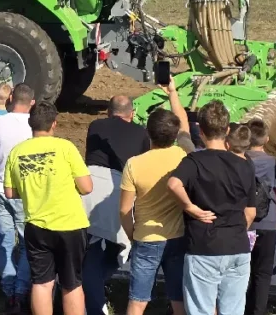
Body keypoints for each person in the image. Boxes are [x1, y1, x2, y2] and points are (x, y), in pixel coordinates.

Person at [167, 100, 256, 315]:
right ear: (227, 130)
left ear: (200, 130)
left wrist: (190, 207)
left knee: (201, 309)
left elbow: (173, 183)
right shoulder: (245, 164)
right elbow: (251, 211)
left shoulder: (194, 161)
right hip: (237, 245)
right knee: (233, 310)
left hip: (204, 245)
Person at [4, 101, 92, 315]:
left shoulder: (17, 152)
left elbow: (10, 192)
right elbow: (87, 187)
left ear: (30, 123)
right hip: (69, 224)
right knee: (71, 284)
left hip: (36, 225)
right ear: (54, 123)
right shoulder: (65, 147)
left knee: (42, 283)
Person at [119, 80, 191, 315]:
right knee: (179, 300)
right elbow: (185, 129)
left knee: (137, 301)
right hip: (177, 236)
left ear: (147, 133)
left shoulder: (134, 164)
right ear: (174, 134)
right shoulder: (183, 155)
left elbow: (124, 210)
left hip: (146, 237)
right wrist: (173, 93)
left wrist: (132, 234)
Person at [82, 95, 148, 315]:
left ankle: (93, 291)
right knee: (119, 246)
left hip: (89, 186)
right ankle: (95, 296)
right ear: (131, 114)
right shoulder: (141, 132)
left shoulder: (95, 125)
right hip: (119, 188)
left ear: (108, 112)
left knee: (92, 246)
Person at [0, 83, 35, 313]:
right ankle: (20, 292)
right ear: (31, 102)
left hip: (1, 187)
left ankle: (8, 290)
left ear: (11, 98)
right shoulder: (35, 126)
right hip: (25, 192)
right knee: (26, 243)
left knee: (4, 241)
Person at [244, 118, 276, 315]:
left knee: (239, 273)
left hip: (244, 224)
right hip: (267, 222)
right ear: (266, 139)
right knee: (263, 273)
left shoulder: (238, 161)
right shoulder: (272, 163)